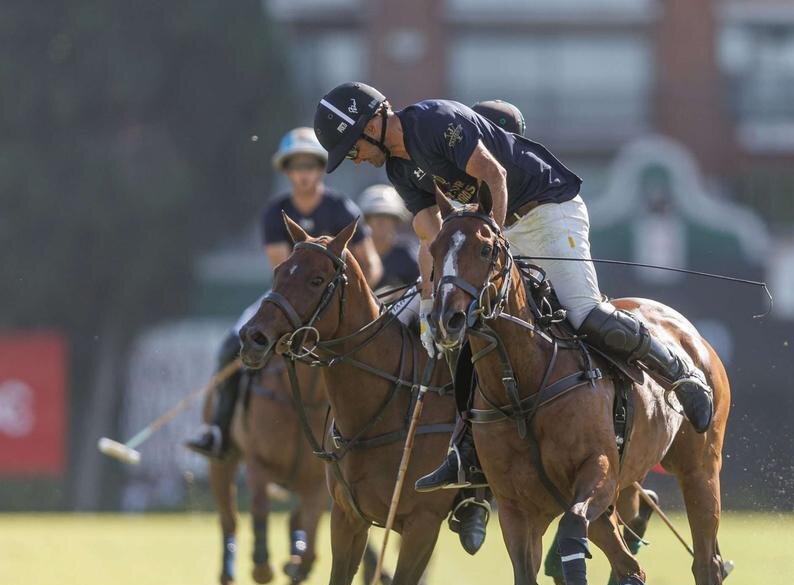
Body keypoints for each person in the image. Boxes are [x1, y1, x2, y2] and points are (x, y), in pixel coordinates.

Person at [310, 83, 714, 493]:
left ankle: (681, 377)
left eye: (352, 147)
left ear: (372, 122)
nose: (356, 160)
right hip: (497, 233)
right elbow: (432, 234)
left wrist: (494, 238)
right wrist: (433, 303)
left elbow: (494, 175)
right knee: (475, 333)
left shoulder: (434, 122)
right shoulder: (399, 170)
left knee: (583, 312)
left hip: (546, 208)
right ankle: (467, 451)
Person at [185, 127, 370, 459]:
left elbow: (369, 262)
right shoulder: (276, 212)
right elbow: (281, 266)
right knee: (232, 343)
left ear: (319, 169)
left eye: (310, 165)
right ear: (287, 171)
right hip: (290, 296)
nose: (304, 174)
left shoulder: (342, 208)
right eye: (296, 167)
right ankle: (218, 431)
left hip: (341, 298)